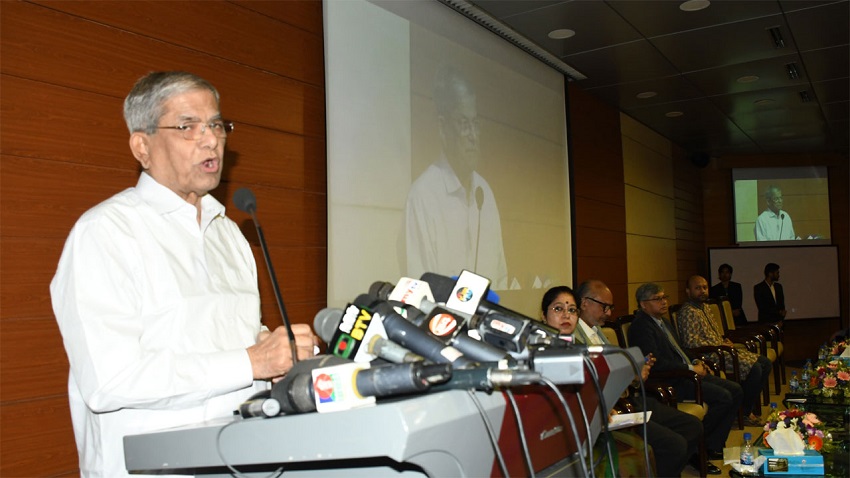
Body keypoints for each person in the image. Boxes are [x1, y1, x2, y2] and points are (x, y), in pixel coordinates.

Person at [50, 72, 317, 477]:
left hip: (238, 460)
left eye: (216, 125)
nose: (210, 140)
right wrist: (250, 362)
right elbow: (109, 381)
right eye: (187, 126)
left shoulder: (228, 233)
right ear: (142, 146)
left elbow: (231, 334)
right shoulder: (105, 233)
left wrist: (273, 348)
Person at [552, 282, 707, 476]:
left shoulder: (597, 332)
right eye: (604, 307)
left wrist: (635, 373)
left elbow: (615, 371)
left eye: (610, 307)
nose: (609, 313)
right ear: (585, 303)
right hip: (611, 409)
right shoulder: (571, 340)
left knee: (692, 426)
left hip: (628, 399)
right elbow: (588, 384)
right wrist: (629, 376)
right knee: (674, 445)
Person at [404, 64, 508, 289]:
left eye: (475, 124)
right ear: (443, 127)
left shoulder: (484, 191)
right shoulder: (423, 195)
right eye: (463, 124)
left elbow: (500, 274)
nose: (473, 136)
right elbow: (419, 283)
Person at [628, 282, 743, 466]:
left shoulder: (663, 321)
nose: (664, 302)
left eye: (664, 297)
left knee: (735, 390)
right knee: (723, 397)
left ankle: (710, 445)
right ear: (643, 304)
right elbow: (657, 364)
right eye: (657, 299)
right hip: (671, 380)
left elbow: (680, 349)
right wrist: (689, 369)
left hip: (686, 373)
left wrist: (696, 361)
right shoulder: (641, 327)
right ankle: (699, 449)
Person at [678, 275, 772, 426]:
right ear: (688, 291)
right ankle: (743, 413)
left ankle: (744, 407)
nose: (702, 291)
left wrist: (723, 340)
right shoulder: (688, 311)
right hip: (709, 355)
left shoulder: (705, 307)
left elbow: (714, 333)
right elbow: (691, 343)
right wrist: (719, 345)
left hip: (721, 349)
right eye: (697, 288)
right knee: (755, 368)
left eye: (705, 287)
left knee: (765, 363)